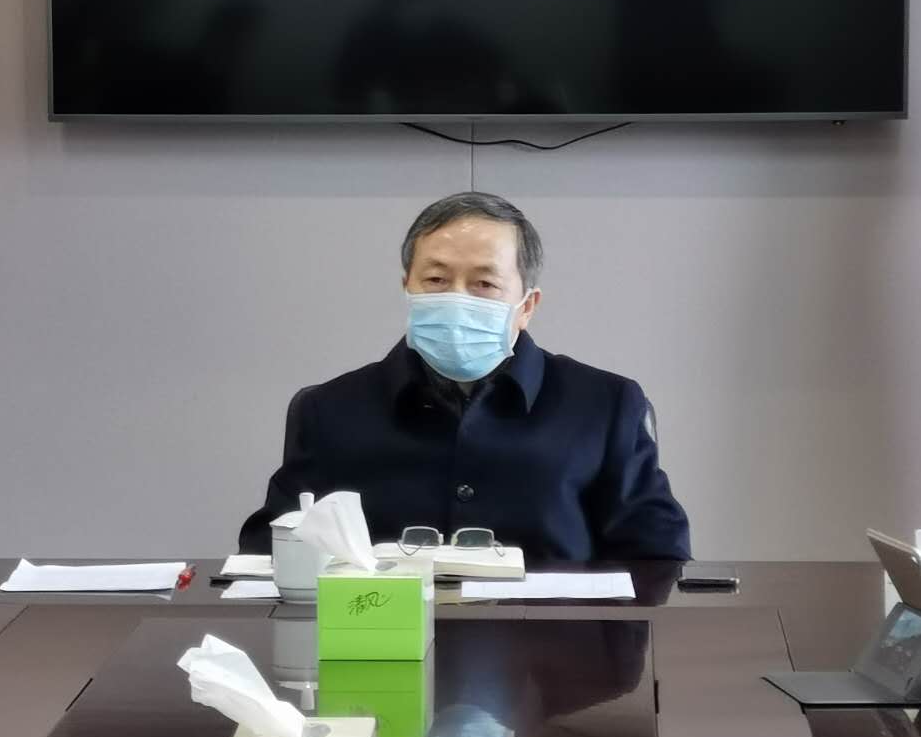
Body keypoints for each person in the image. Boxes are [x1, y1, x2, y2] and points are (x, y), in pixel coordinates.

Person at [238, 192, 690, 561]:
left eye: (484, 284)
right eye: (436, 280)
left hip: (552, 643)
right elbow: (268, 552)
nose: (457, 299)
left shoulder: (605, 405)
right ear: (407, 288)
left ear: (527, 306)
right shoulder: (331, 409)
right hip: (380, 636)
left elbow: (656, 561)